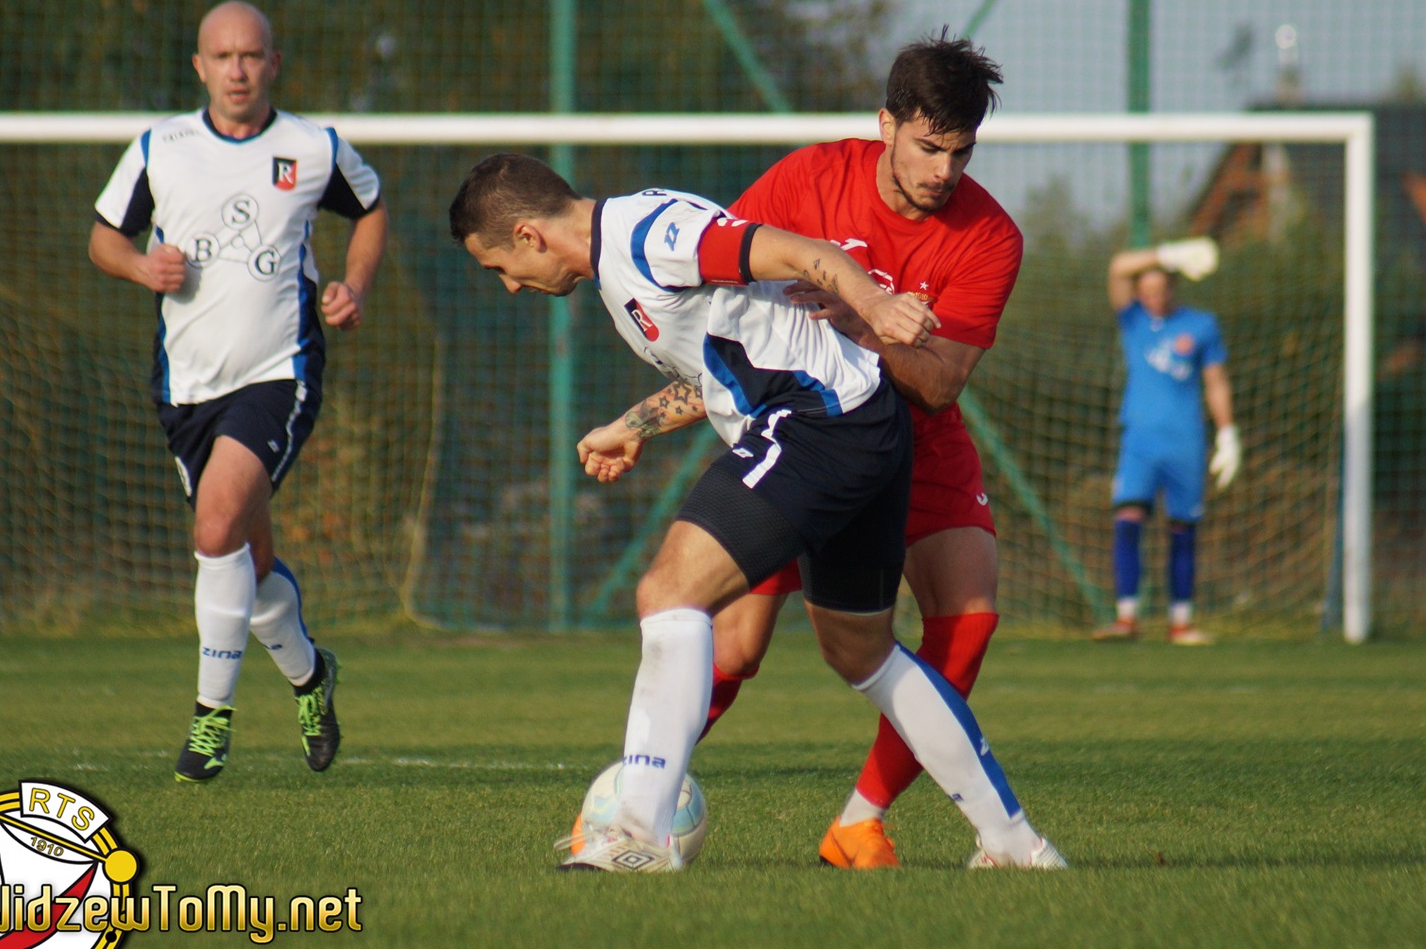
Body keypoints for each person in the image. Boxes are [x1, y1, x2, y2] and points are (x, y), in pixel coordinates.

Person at [449, 152, 1064, 873]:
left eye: (499, 267)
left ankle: (637, 834)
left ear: (528, 235)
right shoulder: (622, 258)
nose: (511, 285)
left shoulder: (645, 233)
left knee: (668, 592)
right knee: (860, 652)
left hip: (818, 424)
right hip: (860, 421)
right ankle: (1016, 845)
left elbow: (800, 252)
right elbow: (733, 357)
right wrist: (633, 426)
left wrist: (875, 306)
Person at [693, 30, 1024, 870]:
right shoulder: (806, 180)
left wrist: (860, 318)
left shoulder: (990, 235)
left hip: (917, 438)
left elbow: (940, 385)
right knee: (732, 646)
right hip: (804, 428)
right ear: (887, 124)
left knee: (970, 615)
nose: (944, 171)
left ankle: (858, 824)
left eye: (961, 152)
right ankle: (631, 800)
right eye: (928, 148)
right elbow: (719, 288)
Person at [88, 0, 388, 781]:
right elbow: (104, 237)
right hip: (186, 384)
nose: (237, 70)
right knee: (247, 560)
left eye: (251, 55)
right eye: (222, 57)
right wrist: (139, 266)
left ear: (273, 62)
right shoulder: (161, 148)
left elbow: (370, 208)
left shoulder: (313, 147)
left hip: (279, 372)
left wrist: (353, 286)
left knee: (216, 525)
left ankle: (210, 720)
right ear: (200, 67)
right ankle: (311, 678)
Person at [1092, 237, 1238, 645]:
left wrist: (1228, 432)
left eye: (1161, 289)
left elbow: (1216, 381)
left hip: (1185, 441)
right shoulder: (1134, 320)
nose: (1154, 298)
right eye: (1147, 291)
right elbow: (1118, 266)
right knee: (1127, 520)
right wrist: (1170, 254)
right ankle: (1126, 619)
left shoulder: (1201, 325)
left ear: (1174, 287)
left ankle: (1181, 623)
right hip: (1139, 441)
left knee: (1182, 529)